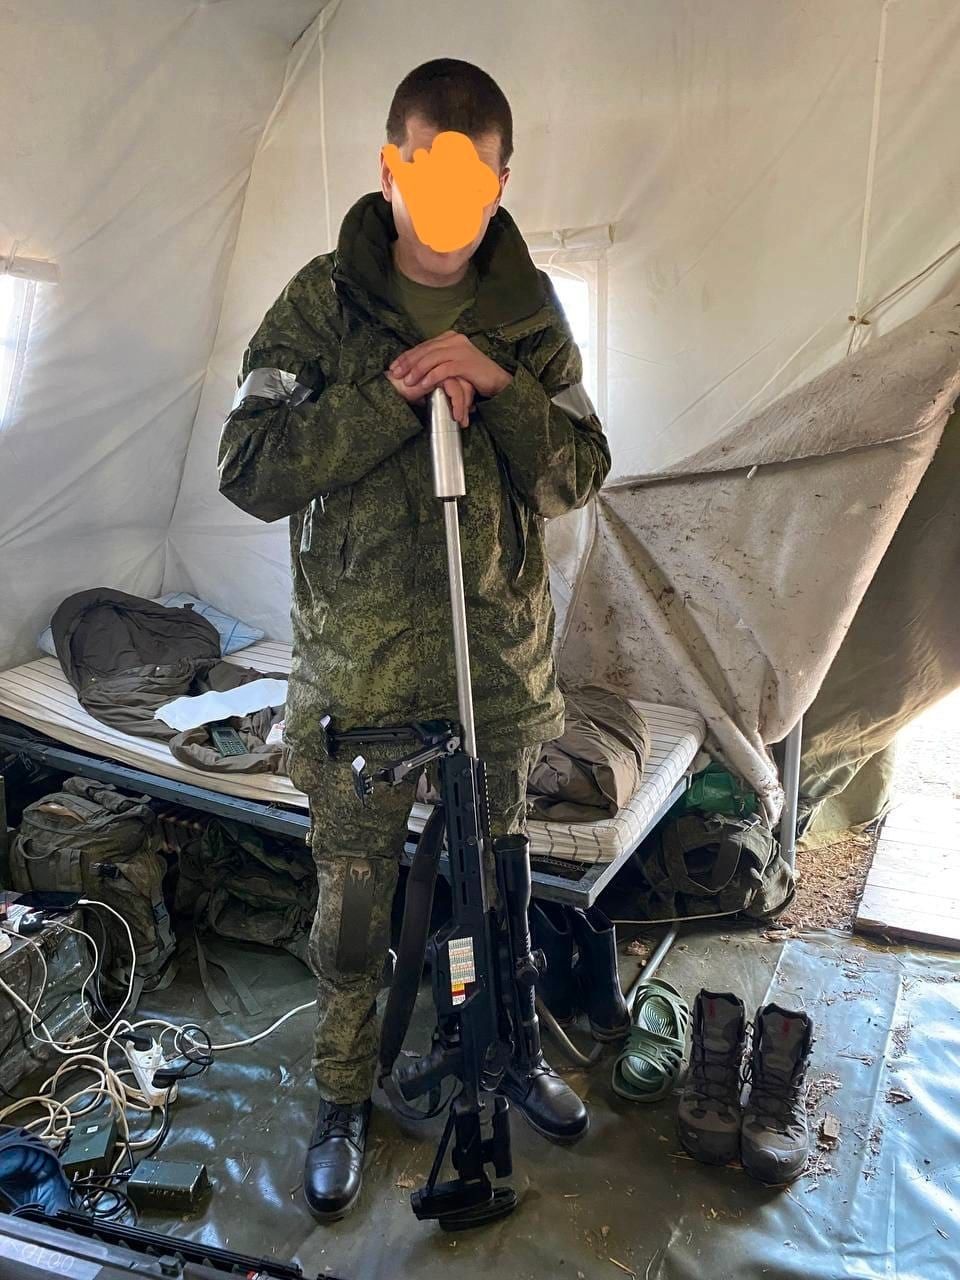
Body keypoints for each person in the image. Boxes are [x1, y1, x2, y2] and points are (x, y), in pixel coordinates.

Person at [218, 57, 611, 1221]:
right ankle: (343, 1091)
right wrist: (385, 397)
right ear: (390, 167)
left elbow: (579, 470)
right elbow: (250, 470)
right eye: (427, 180)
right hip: (358, 677)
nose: (450, 211)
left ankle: (508, 1054)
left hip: (493, 668)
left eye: (474, 187)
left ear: (500, 181)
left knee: (497, 883)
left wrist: (501, 382)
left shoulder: (530, 315)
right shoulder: (320, 304)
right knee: (351, 906)